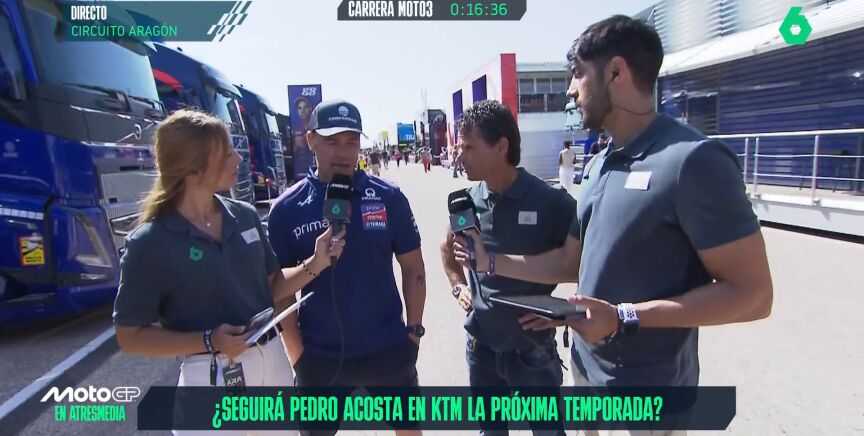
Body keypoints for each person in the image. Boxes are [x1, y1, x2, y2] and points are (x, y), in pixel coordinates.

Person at [453, 16, 773, 435]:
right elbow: (570, 262)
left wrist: (624, 316)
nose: (571, 90)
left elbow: (753, 296)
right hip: (586, 378)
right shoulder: (598, 165)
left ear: (616, 72)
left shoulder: (694, 160)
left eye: (578, 73)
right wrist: (492, 264)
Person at [112, 110, 344, 436]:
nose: (238, 159)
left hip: (271, 364)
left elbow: (273, 286)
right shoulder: (150, 242)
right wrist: (209, 340)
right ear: (194, 167)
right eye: (227, 154)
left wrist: (316, 263)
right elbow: (130, 336)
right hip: (209, 379)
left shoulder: (245, 216)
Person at [268, 100, 426, 436]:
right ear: (311, 140)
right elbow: (278, 290)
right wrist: (297, 355)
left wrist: (413, 334)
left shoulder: (389, 198)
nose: (343, 152)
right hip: (319, 356)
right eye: (332, 141)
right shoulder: (286, 209)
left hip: (388, 347)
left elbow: (414, 268)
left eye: (351, 141)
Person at [440, 100, 576, 436]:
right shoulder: (466, 201)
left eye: (469, 148)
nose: (460, 157)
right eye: (460, 148)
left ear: (501, 147)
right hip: (481, 350)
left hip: (533, 351)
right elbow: (446, 249)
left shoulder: (551, 202)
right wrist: (458, 286)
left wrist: (565, 313)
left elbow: (585, 263)